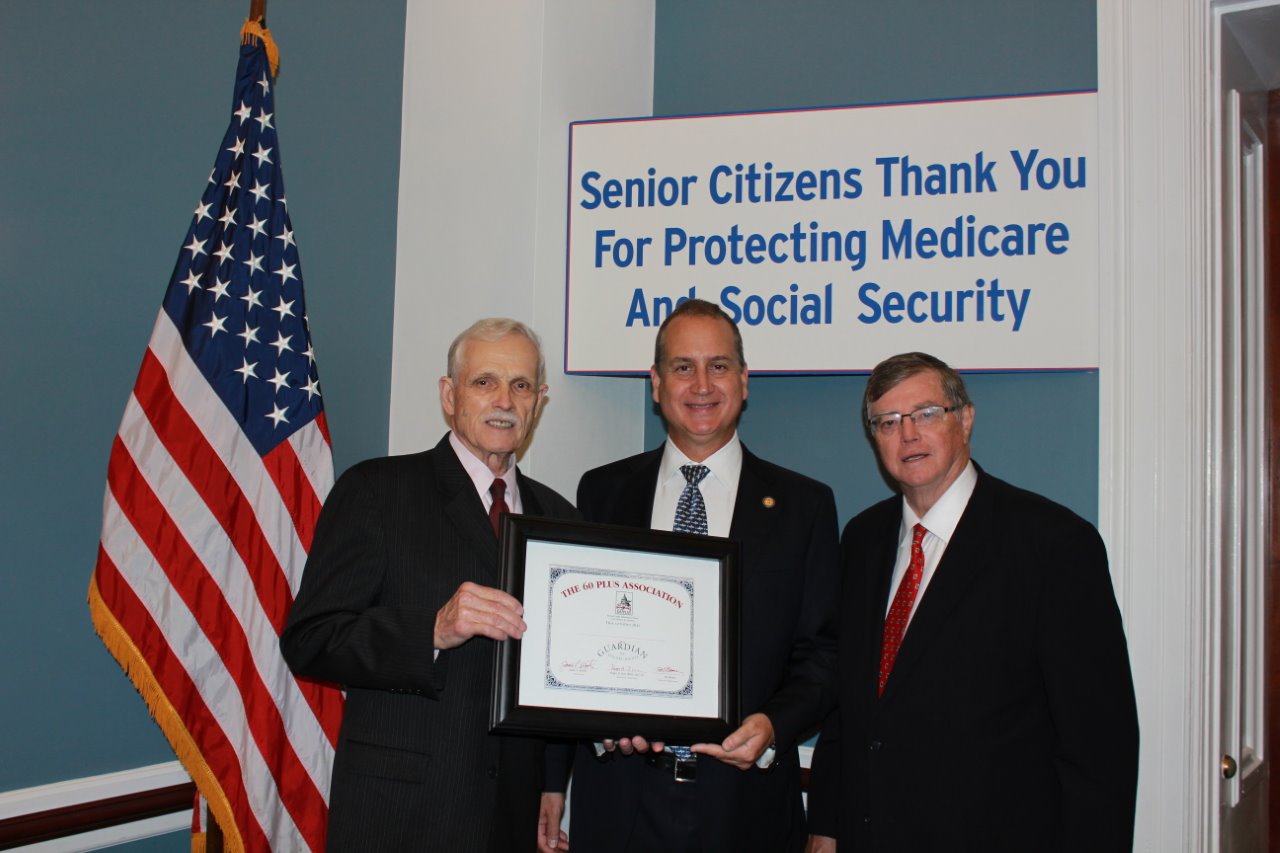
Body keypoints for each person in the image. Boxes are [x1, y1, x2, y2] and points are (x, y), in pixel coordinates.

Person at [805, 352, 1139, 852]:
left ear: (965, 419)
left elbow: (1099, 744)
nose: (908, 435)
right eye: (888, 422)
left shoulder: (1053, 544)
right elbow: (848, 707)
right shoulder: (862, 539)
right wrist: (826, 826)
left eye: (925, 414)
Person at [540, 299, 841, 853]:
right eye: (683, 367)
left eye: (719, 366)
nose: (702, 384)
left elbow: (823, 655)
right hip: (620, 800)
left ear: (744, 381)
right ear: (656, 384)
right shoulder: (602, 492)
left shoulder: (805, 506)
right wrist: (554, 778)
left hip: (745, 804)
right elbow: (567, 643)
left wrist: (772, 725)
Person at [281, 318, 576, 852]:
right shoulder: (376, 491)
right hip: (402, 816)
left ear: (539, 401)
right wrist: (431, 630)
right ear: (450, 394)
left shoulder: (559, 517)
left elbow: (560, 667)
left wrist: (552, 780)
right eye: (484, 381)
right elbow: (310, 638)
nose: (504, 400)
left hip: (512, 814)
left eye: (521, 385)